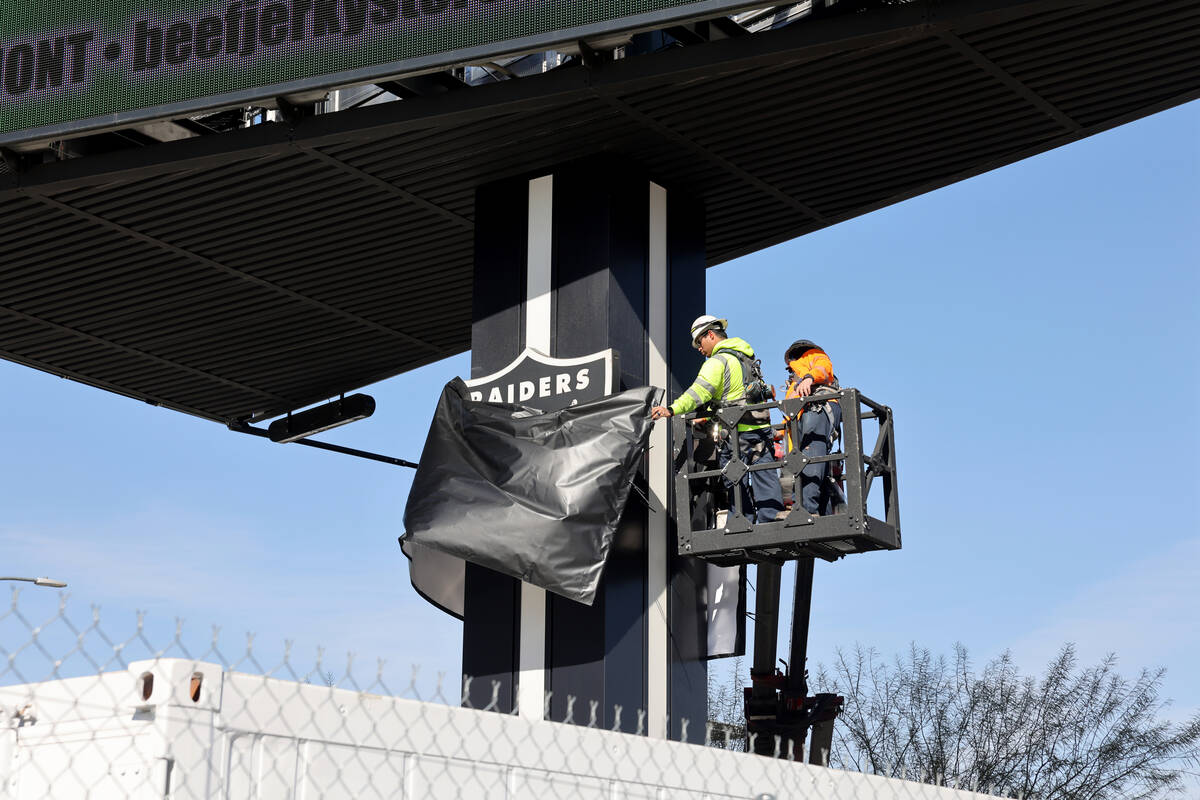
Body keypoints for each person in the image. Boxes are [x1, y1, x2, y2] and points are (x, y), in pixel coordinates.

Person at [651, 315, 784, 524]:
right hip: (760, 430)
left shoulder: (717, 362)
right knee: (765, 477)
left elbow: (698, 393)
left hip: (736, 432)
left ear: (710, 335)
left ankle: (741, 523)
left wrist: (671, 409)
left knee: (734, 479)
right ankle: (773, 523)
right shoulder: (746, 359)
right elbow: (735, 393)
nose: (698, 348)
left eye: (699, 342)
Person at [782, 339, 844, 516]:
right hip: (806, 417)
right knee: (811, 464)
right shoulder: (796, 376)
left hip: (817, 410)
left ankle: (806, 510)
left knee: (811, 461)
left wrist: (809, 378)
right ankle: (815, 510)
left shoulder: (814, 356)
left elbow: (822, 369)